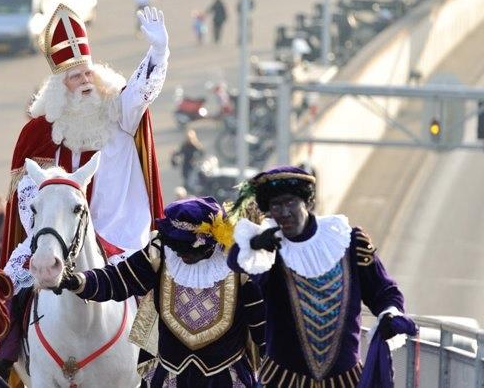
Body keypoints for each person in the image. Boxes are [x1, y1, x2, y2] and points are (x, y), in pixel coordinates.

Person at [0, 2, 168, 375]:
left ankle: (160, 366)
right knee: (13, 287)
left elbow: (141, 91)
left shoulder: (118, 111)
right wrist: (48, 230)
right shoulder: (40, 132)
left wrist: (158, 51)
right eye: (74, 77)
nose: (85, 81)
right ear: (60, 88)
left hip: (120, 233)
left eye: (88, 72)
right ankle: (4, 357)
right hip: (58, 233)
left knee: (160, 295)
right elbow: (28, 196)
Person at [227, 166, 408, 387]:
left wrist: (389, 313)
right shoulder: (268, 249)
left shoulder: (348, 241)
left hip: (345, 381)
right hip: (283, 380)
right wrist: (254, 245)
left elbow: (383, 291)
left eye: (290, 202)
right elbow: (235, 261)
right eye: (276, 205)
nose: (284, 212)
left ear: (308, 203)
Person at [62, 197, 266, 387]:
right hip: (171, 374)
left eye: (187, 248)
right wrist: (77, 281)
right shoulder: (159, 254)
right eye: (177, 248)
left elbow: (262, 323)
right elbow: (118, 279)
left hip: (225, 376)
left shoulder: (239, 264)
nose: (181, 255)